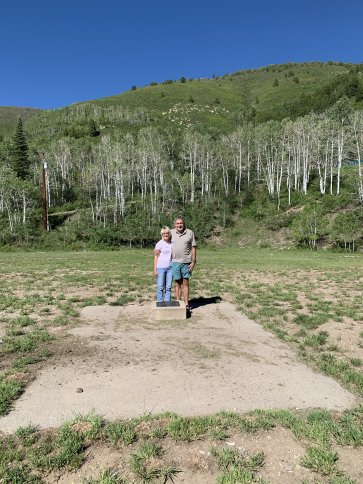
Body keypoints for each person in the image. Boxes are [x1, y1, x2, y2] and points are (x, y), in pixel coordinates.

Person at [170, 216, 197, 310]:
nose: (179, 225)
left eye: (181, 223)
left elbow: (193, 247)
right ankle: (178, 302)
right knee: (177, 283)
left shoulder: (190, 233)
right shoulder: (171, 232)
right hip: (175, 262)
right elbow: (164, 242)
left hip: (186, 262)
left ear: (184, 224)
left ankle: (186, 304)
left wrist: (193, 261)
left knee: (185, 283)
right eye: (177, 223)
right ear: (175, 225)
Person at [154, 226, 173, 303]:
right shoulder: (159, 244)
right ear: (161, 234)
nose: (165, 234)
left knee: (168, 287)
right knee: (160, 287)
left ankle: (168, 303)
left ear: (169, 234)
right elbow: (156, 256)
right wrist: (155, 269)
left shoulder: (172, 243)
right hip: (161, 268)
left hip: (170, 268)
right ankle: (160, 303)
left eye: (167, 233)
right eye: (164, 233)